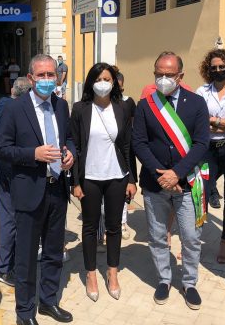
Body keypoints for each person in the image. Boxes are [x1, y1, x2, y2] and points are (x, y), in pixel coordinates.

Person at [0, 54, 76, 325]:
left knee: (53, 252)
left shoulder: (61, 105)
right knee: (27, 256)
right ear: (30, 78)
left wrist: (70, 154)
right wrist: (33, 154)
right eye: (41, 75)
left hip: (57, 189)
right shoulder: (14, 109)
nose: (46, 80)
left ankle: (48, 301)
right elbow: (2, 149)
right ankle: (25, 311)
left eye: (51, 75)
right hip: (29, 191)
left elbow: (69, 139)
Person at [133, 51, 210, 310]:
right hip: (155, 184)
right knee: (157, 236)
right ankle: (164, 279)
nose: (163, 79)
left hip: (187, 183)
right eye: (159, 74)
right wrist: (161, 175)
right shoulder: (146, 105)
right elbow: (139, 143)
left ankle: (189, 283)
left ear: (180, 76)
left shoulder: (196, 103)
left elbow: (201, 143)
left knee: (190, 237)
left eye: (169, 74)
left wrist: (177, 173)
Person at [70, 63, 136, 302]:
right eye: (98, 79)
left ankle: (112, 272)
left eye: (107, 79)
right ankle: (91, 274)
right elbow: (75, 146)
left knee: (114, 226)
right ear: (91, 82)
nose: (103, 83)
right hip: (89, 178)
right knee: (89, 227)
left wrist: (132, 179)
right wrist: (75, 182)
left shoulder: (121, 108)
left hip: (117, 176)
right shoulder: (80, 109)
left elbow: (127, 145)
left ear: (114, 82)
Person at [196, 48, 225, 264]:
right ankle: (194, 241)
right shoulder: (202, 92)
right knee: (201, 194)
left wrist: (214, 121)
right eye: (213, 67)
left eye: (222, 67)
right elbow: (197, 120)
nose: (218, 70)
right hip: (207, 148)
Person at [0, 77, 33, 287]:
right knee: (9, 222)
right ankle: (5, 269)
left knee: (13, 221)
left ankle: (12, 263)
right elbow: (5, 144)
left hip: (9, 173)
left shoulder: (4, 105)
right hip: (8, 175)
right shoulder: (9, 108)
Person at [116, 70, 137, 240]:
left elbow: (133, 124)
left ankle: (122, 223)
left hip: (125, 152)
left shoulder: (128, 102)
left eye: (121, 88)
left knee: (124, 191)